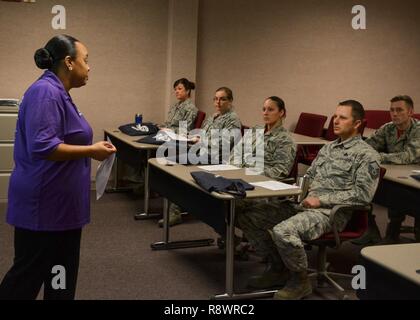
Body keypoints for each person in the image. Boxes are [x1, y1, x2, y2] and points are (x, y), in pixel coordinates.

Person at [0, 35, 116, 300]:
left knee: (59, 277)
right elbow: (44, 146)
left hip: (61, 209)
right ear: (69, 62)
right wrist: (92, 151)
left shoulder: (59, 93)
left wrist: (91, 149)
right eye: (85, 60)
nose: (89, 67)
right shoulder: (45, 92)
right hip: (44, 208)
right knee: (26, 279)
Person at [238, 100, 380, 300]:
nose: (335, 121)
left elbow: (362, 195)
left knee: (284, 231)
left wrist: (320, 200)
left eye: (342, 117)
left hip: (329, 213)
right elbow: (309, 177)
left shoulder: (367, 155)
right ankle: (278, 268)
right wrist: (294, 190)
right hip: (303, 205)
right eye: (335, 116)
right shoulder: (328, 148)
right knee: (248, 215)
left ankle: (300, 280)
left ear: (357, 124)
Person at [158, 87, 241, 227]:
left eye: (222, 99)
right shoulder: (214, 116)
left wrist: (202, 141)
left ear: (230, 101)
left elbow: (224, 144)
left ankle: (175, 211)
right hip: (201, 152)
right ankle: (177, 205)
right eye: (216, 99)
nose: (218, 102)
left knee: (174, 166)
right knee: (169, 165)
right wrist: (193, 137)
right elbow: (203, 134)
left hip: (217, 158)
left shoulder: (232, 120)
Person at [352, 95, 420, 245]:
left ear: (410, 112)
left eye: (399, 110)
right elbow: (367, 147)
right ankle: (370, 229)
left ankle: (394, 234)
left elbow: (408, 157)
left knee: (404, 198)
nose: (394, 114)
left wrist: (377, 156)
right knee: (361, 183)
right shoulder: (388, 128)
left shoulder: (418, 129)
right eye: (392, 110)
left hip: (414, 179)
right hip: (394, 174)